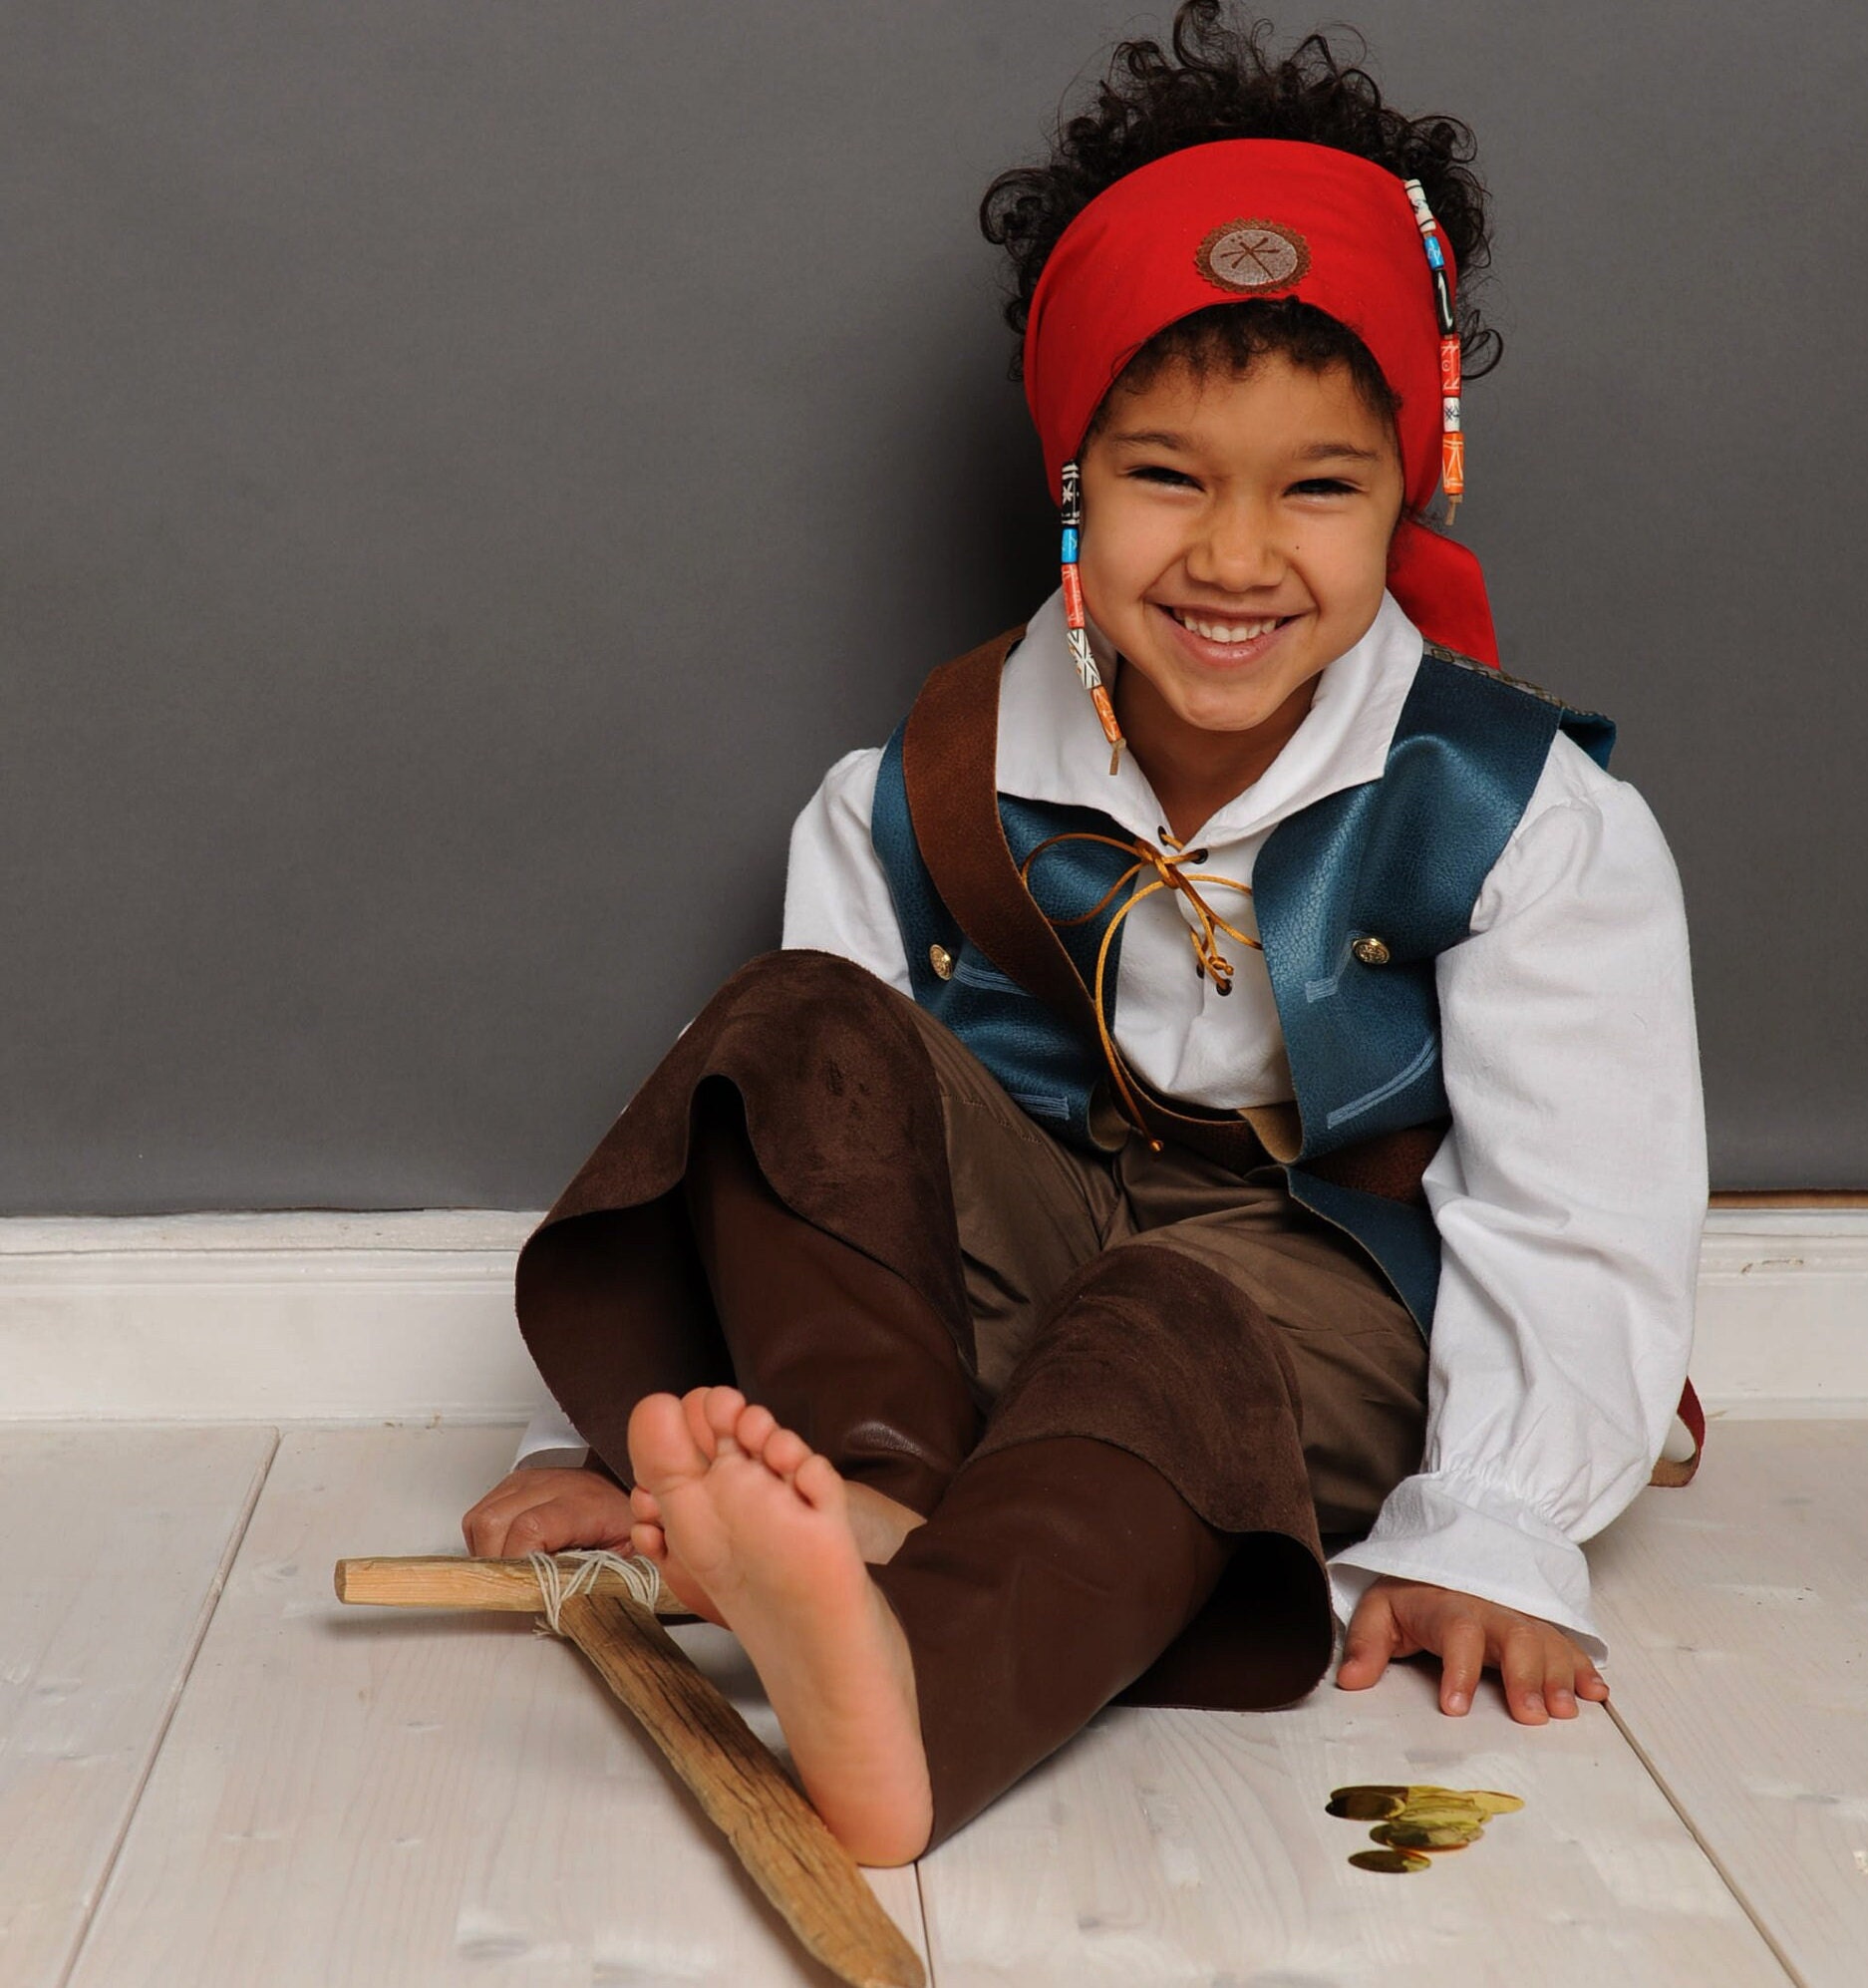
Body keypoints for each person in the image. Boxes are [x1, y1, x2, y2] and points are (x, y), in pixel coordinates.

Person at [462, 1, 1707, 1867]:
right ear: (1069, 472)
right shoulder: (919, 784)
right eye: (1164, 474)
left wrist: (1496, 1525)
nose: (1233, 554)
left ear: (1409, 485)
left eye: (1316, 485)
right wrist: (682, 1434)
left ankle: (910, 1699)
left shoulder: (1517, 815)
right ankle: (860, 1500)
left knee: (1165, 1313)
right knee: (793, 1022)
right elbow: (825, 1199)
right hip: (993, 1321)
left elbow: (1577, 1207)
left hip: (1290, 1326)